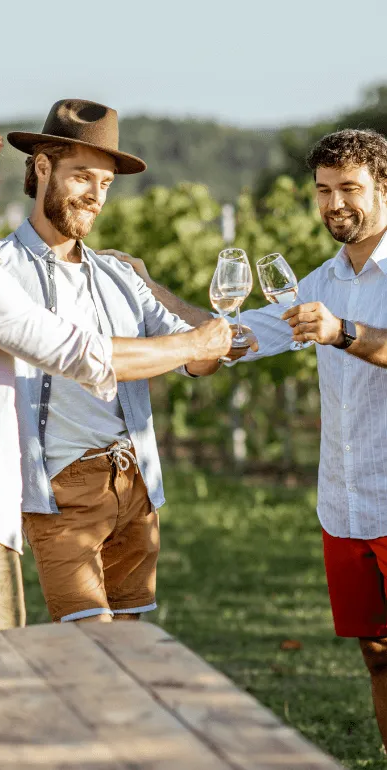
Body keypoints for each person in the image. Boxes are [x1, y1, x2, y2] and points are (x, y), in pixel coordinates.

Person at [112, 128, 387, 747]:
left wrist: (344, 332)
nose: (334, 203)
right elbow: (236, 337)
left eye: (350, 188)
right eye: (323, 191)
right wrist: (148, 288)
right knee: (376, 650)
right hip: (346, 506)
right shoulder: (320, 281)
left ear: (383, 188)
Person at [0, 106, 233, 633]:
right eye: (82, 176)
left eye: (105, 183)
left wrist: (157, 290)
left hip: (135, 481)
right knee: (88, 646)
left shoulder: (119, 275)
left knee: (133, 645)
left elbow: (201, 358)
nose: (96, 196)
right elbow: (80, 354)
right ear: (43, 168)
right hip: (59, 488)